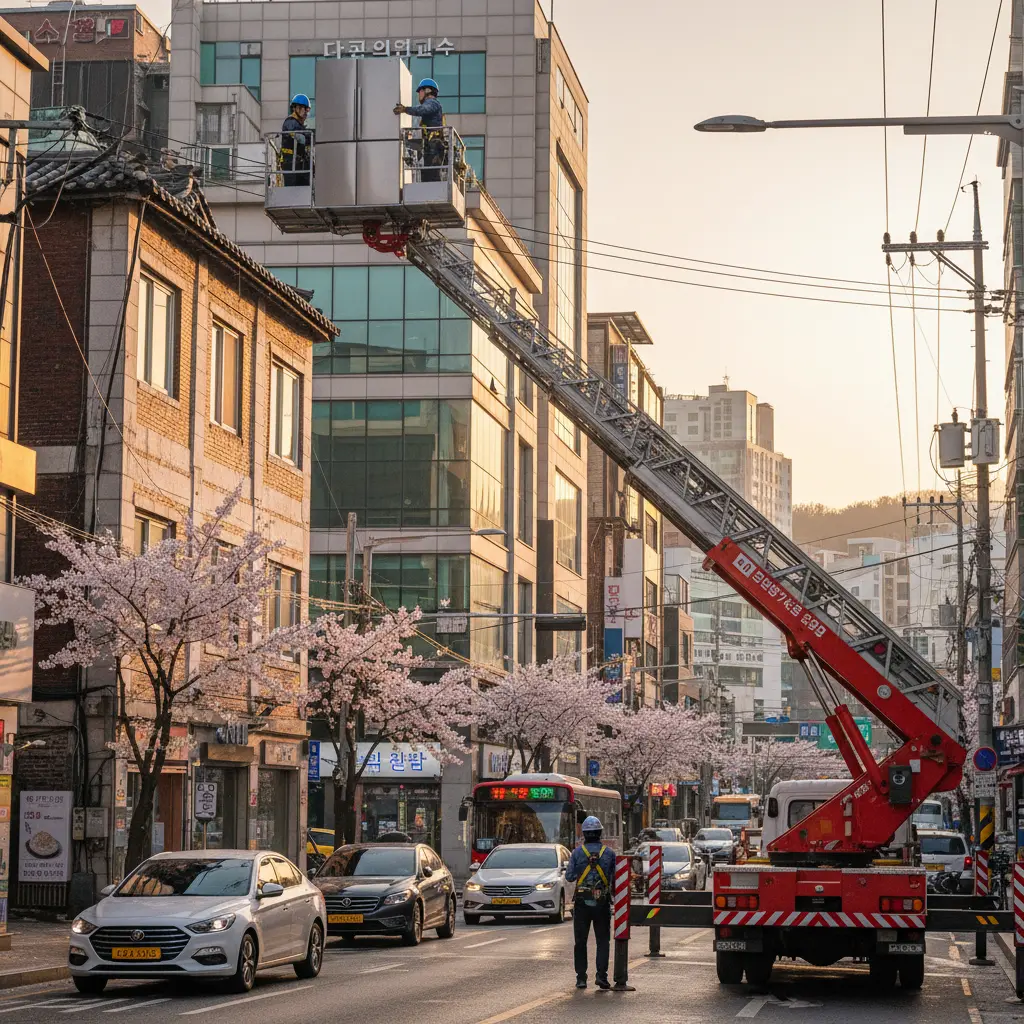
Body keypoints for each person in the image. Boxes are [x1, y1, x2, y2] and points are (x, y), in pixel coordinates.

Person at [564, 815, 615, 990]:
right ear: (600, 833)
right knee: (602, 941)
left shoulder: (577, 853)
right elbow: (615, 879)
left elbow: (569, 877)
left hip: (582, 903)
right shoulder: (609, 853)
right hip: (602, 903)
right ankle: (601, 977)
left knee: (580, 941)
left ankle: (581, 978)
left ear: (584, 834)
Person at [393, 78, 445, 182]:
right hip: (430, 146)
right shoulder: (433, 105)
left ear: (427, 91)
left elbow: (422, 110)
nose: (419, 95)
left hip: (434, 146)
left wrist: (405, 109)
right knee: (427, 175)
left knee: (431, 176)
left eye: (420, 91)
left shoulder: (433, 103)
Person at [281, 94, 312, 187]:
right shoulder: (290, 122)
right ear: (297, 108)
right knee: (293, 192)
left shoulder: (299, 124)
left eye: (307, 110)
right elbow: (299, 137)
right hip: (291, 164)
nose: (306, 113)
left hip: (299, 165)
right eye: (305, 109)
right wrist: (307, 136)